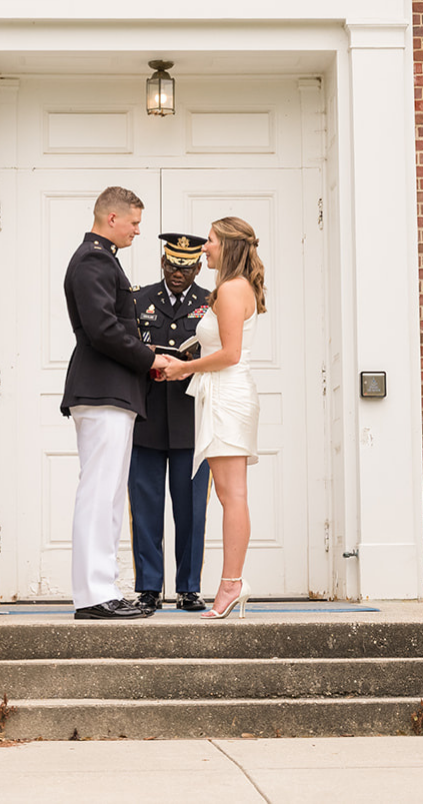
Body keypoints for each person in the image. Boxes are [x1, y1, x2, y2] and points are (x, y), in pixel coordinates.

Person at [60, 186, 172, 620]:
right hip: (102, 388)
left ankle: (102, 587)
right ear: (112, 218)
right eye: (135, 223)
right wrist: (149, 357)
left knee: (108, 496)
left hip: (113, 390)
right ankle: (92, 594)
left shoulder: (103, 259)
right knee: (99, 492)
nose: (138, 231)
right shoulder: (93, 259)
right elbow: (102, 328)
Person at [160, 216, 265, 620]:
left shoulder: (231, 289)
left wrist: (183, 369)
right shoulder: (236, 287)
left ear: (229, 246)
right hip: (223, 393)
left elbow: (230, 354)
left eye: (210, 240)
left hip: (227, 394)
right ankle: (232, 583)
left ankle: (232, 584)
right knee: (230, 494)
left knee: (231, 495)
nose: (204, 247)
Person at [129, 233, 212, 613]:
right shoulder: (139, 299)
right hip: (146, 416)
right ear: (162, 263)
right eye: (171, 265)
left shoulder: (210, 303)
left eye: (185, 267)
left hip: (191, 418)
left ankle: (188, 588)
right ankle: (148, 587)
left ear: (196, 267)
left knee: (191, 510)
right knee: (145, 507)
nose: (177, 274)